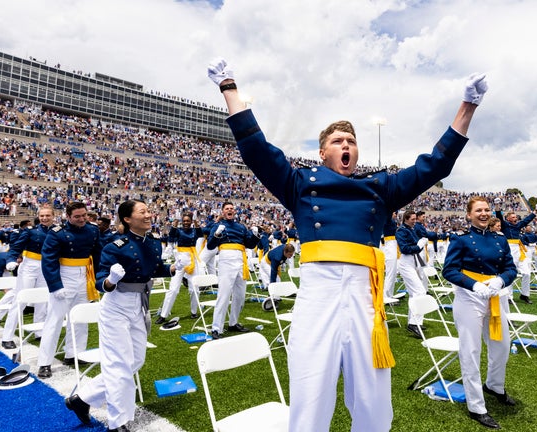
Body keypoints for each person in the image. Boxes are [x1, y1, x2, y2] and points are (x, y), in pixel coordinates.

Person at [208, 57, 486, 432]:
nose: (346, 145)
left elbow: (434, 165)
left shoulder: (380, 187)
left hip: (365, 303)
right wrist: (229, 88)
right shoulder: (299, 183)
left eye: (352, 141)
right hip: (317, 300)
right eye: (338, 141)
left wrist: (467, 105)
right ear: (322, 152)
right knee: (309, 400)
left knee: (373, 404)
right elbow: (256, 149)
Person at [65, 200, 178, 431]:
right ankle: (118, 423)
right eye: (142, 212)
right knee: (118, 365)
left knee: (136, 360)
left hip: (139, 305)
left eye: (148, 211)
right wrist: (110, 281)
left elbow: (152, 268)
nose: (148, 215)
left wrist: (172, 269)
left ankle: (81, 399)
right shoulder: (115, 246)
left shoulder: (154, 243)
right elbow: (101, 281)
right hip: (116, 305)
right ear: (127, 219)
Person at [442, 196, 518, 430]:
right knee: (471, 350)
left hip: (495, 296)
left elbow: (511, 268)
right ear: (468, 214)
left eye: (486, 209)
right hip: (469, 298)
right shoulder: (461, 239)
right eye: (478, 210)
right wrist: (474, 285)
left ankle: (494, 386)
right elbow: (449, 270)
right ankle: (476, 406)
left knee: (502, 345)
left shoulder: (500, 240)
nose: (483, 213)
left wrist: (500, 280)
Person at [37, 201, 102, 379]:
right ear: (68, 217)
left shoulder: (93, 230)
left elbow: (97, 254)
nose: (82, 219)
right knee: (55, 320)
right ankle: (44, 362)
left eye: (84, 215)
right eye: (77, 217)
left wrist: (99, 278)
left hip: (84, 276)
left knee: (81, 318)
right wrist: (55, 285)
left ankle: (74, 353)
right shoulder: (57, 233)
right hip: (64, 275)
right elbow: (48, 260)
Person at [1, 205, 55, 350]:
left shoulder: (58, 231)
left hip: (47, 267)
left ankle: (39, 331)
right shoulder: (30, 231)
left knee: (42, 301)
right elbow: (16, 247)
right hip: (30, 266)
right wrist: (11, 259)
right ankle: (7, 336)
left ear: (53, 216)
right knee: (20, 300)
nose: (44, 218)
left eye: (47, 215)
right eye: (42, 215)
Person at [205, 201, 260, 338]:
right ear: (223, 212)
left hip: (241, 259)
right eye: (227, 208)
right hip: (226, 259)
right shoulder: (217, 226)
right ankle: (216, 327)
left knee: (240, 295)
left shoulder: (241, 227)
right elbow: (210, 246)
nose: (230, 210)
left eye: (231, 208)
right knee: (223, 295)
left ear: (234, 212)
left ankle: (233, 323)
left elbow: (249, 244)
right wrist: (217, 234)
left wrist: (255, 235)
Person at [155, 213, 202, 324]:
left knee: (194, 288)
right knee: (173, 289)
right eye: (184, 221)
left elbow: (200, 234)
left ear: (191, 221)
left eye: (188, 221)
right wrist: (175, 224)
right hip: (180, 260)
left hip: (192, 260)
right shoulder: (178, 230)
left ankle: (194, 311)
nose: (186, 223)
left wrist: (196, 221)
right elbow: (170, 238)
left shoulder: (195, 231)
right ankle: (164, 315)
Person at [396, 210, 430, 338]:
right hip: (406, 262)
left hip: (413, 262)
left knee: (414, 293)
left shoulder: (412, 229)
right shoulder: (401, 231)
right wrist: (419, 245)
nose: (415, 221)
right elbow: (404, 249)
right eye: (413, 219)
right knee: (420, 291)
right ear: (406, 219)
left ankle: (413, 322)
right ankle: (415, 323)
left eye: (416, 219)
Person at [494, 201, 536, 304]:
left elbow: (526, 220)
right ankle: (509, 296)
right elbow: (499, 216)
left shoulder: (518, 226)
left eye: (515, 217)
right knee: (509, 273)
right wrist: (497, 205)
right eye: (513, 217)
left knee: (526, 272)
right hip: (509, 250)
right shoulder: (504, 225)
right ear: (508, 218)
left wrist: (534, 212)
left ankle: (525, 294)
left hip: (519, 251)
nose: (515, 218)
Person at [381, 213, 399, 299]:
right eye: (395, 213)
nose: (396, 215)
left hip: (393, 245)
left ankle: (389, 294)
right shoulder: (387, 220)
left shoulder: (392, 221)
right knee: (390, 272)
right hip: (389, 245)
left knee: (393, 272)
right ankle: (386, 295)